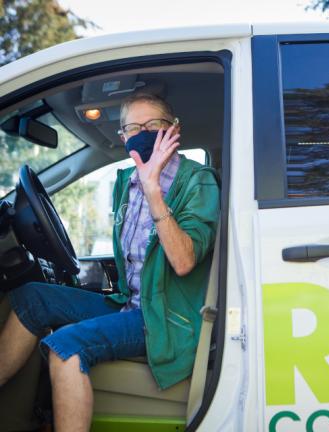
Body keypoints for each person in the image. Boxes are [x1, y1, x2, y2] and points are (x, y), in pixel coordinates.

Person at [0, 93, 220, 431]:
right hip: (130, 305)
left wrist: (154, 191)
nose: (143, 133)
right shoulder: (125, 183)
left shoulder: (197, 181)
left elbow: (183, 261)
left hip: (164, 317)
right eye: (134, 128)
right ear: (123, 138)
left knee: (64, 347)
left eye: (154, 126)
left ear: (174, 129)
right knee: (32, 297)